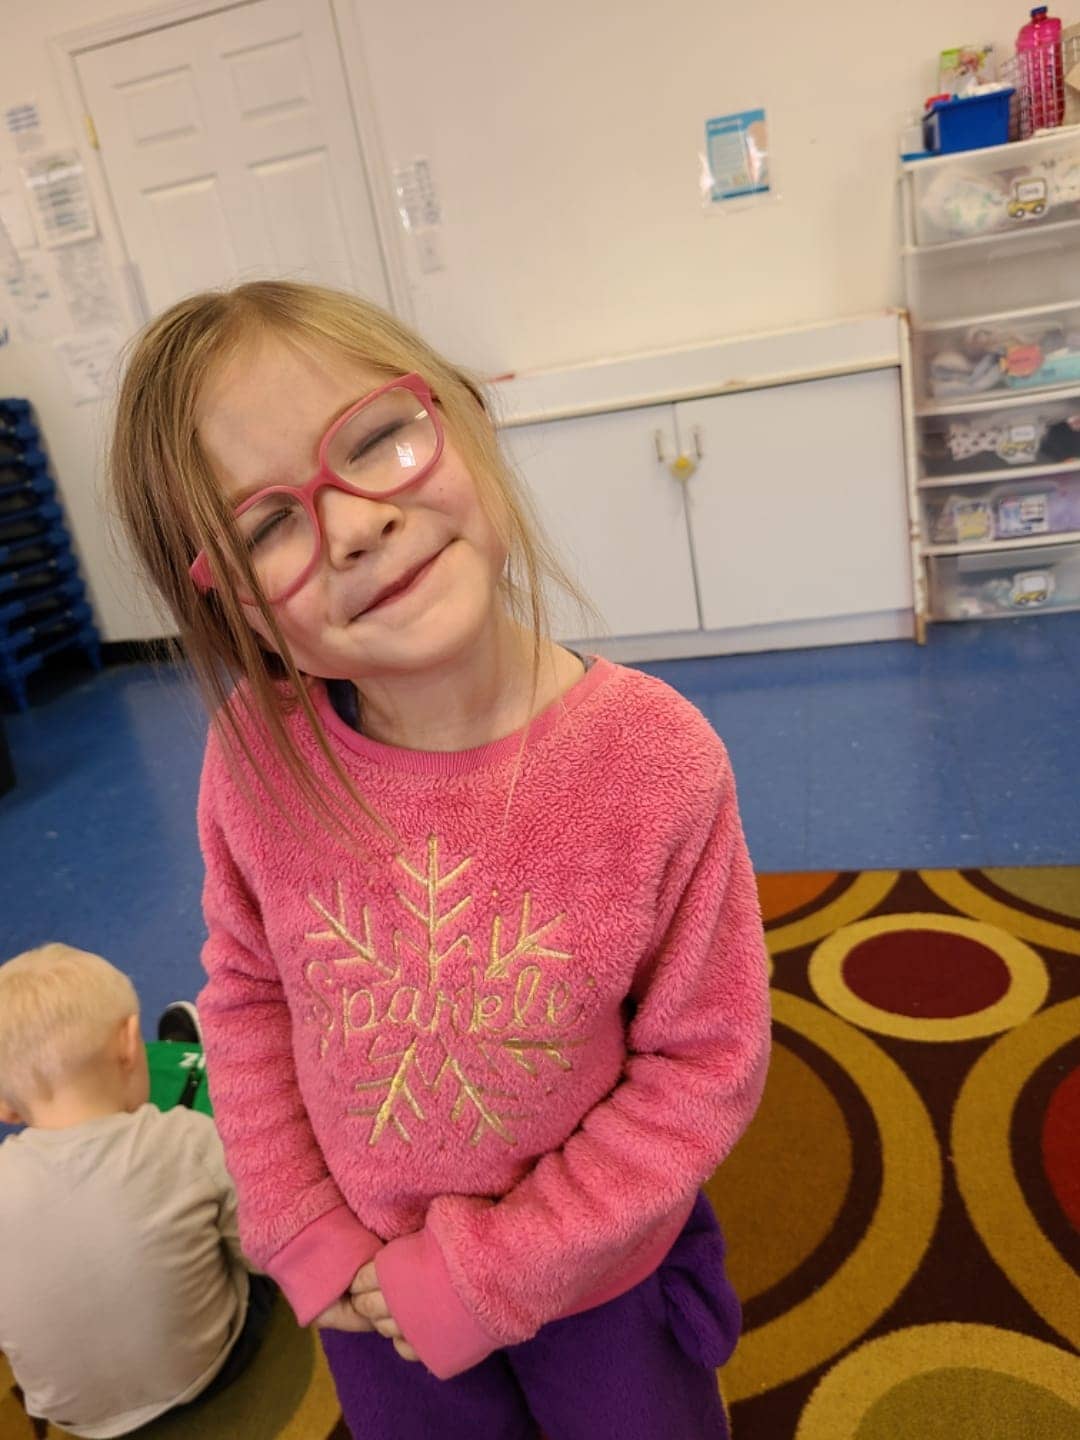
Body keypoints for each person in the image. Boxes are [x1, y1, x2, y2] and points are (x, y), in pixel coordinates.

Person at [108, 279, 772, 1440]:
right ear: (236, 616)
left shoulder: (658, 761)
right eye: (267, 525)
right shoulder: (254, 763)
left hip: (600, 1286)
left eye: (377, 440)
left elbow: (704, 1065)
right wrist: (303, 1229)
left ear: (460, 420)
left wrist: (496, 1267)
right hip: (369, 1294)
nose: (355, 520)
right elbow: (250, 998)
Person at [0, 944, 275, 1437]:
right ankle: (197, 1055)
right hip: (209, 1373)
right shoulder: (188, 1139)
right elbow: (263, 1251)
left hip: (73, 1418)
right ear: (130, 1044)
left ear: (5, 1108)